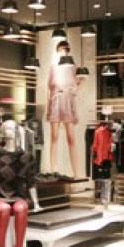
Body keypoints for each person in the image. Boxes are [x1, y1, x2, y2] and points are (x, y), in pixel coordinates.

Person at [46, 40, 83, 178]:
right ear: (57, 51)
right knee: (54, 138)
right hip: (55, 100)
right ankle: (53, 171)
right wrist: (48, 108)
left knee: (71, 138)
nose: (63, 52)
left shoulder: (73, 66)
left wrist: (76, 88)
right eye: (61, 49)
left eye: (66, 49)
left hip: (67, 100)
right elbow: (49, 89)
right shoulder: (53, 66)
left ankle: (77, 173)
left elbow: (78, 84)